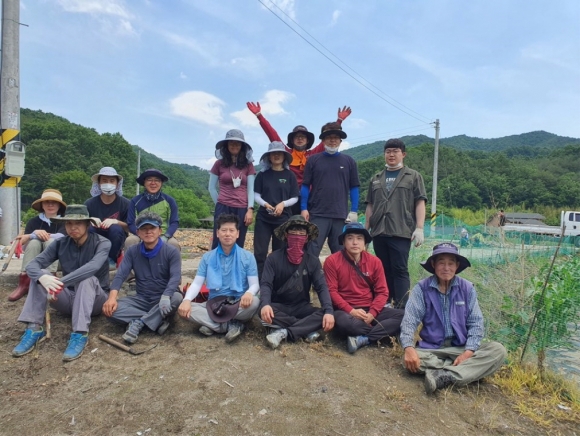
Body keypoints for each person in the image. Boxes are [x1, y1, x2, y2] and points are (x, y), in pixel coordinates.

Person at [400, 243, 507, 394]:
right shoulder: (422, 288)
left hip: (460, 347)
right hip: (432, 349)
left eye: (451, 263)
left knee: (498, 351)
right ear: (433, 264)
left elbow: (476, 323)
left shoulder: (467, 288)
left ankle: (446, 376)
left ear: (457, 266)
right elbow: (409, 321)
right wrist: (408, 348)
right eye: (441, 263)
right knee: (410, 360)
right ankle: (462, 370)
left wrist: (468, 353)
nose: (446, 268)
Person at [12, 204, 111, 361]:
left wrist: (59, 283)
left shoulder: (102, 242)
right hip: (67, 298)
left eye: (78, 223)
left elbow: (92, 267)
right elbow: (32, 266)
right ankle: (34, 327)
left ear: (88, 224)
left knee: (87, 278)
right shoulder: (60, 243)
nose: (73, 227)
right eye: (69, 223)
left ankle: (80, 333)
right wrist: (43, 278)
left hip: (95, 300)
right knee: (42, 274)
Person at [246, 102, 352, 215]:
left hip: (309, 198)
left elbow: (328, 138)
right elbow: (272, 134)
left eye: (303, 137)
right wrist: (259, 115)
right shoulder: (286, 153)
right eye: (297, 137)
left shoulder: (313, 155)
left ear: (307, 140)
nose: (300, 139)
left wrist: (339, 121)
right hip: (288, 196)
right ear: (292, 140)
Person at [323, 223, 405, 354]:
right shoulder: (332, 261)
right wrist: (351, 311)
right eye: (350, 238)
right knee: (346, 323)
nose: (355, 242)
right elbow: (331, 291)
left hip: (369, 308)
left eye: (359, 238)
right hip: (345, 310)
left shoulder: (375, 261)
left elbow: (382, 292)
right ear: (343, 242)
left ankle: (365, 338)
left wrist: (372, 314)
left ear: (365, 242)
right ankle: (385, 332)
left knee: (405, 316)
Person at [102, 212, 183, 343]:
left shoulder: (171, 251)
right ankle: (156, 320)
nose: (148, 232)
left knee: (177, 298)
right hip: (141, 299)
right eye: (144, 229)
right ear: (138, 232)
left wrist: (166, 295)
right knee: (111, 311)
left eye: (152, 228)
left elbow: (175, 276)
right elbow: (120, 274)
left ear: (159, 231)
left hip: (164, 298)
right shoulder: (132, 251)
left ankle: (138, 322)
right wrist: (111, 298)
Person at [178, 213, 259, 343]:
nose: (227, 234)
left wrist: (249, 293)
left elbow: (254, 284)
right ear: (217, 233)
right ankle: (228, 325)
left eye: (231, 230)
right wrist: (186, 300)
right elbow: (197, 283)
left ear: (237, 233)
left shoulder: (248, 257)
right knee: (186, 308)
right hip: (215, 304)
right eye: (224, 230)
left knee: (254, 302)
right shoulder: (207, 257)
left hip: (238, 302)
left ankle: (213, 324)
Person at [365, 138, 427, 308]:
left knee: (399, 269)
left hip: (401, 230)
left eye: (395, 151)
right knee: (383, 268)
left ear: (403, 154)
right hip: (379, 230)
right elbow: (370, 205)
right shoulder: (376, 178)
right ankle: (385, 303)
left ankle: (401, 307)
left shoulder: (413, 176)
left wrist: (419, 228)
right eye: (388, 151)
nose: (391, 154)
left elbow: (420, 202)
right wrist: (365, 232)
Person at [259, 216, 335, 349]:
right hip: (278, 306)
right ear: (286, 235)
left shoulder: (313, 261)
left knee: (326, 313)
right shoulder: (273, 258)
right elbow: (266, 284)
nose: (297, 237)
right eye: (293, 233)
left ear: (306, 238)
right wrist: (265, 304)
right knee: (260, 309)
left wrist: (329, 311)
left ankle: (284, 332)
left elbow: (322, 287)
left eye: (301, 234)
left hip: (302, 306)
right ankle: (305, 328)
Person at [301, 122, 360, 256]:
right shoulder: (313, 160)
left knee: (341, 253)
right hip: (317, 214)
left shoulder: (349, 161)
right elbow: (305, 185)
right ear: (323, 140)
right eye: (328, 137)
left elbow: (354, 187)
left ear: (340, 140)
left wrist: (354, 210)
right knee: (311, 252)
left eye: (336, 137)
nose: (332, 140)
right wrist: (303, 208)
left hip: (340, 215)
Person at [8, 189, 67, 302]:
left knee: (50, 241)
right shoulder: (33, 222)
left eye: (54, 202)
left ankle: (51, 280)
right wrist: (34, 235)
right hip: (36, 261)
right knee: (34, 242)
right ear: (42, 205)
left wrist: (33, 235)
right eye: (47, 202)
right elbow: (24, 244)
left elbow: (61, 236)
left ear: (59, 205)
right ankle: (25, 282)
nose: (50, 205)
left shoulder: (65, 221)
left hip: (58, 261)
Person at [253, 141, 299, 278]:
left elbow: (295, 197)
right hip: (263, 218)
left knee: (280, 252)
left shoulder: (290, 175)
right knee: (260, 252)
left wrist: (283, 204)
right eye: (273, 153)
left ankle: (277, 280)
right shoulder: (262, 175)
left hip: (283, 219)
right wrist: (265, 204)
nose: (276, 156)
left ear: (284, 156)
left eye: (279, 153)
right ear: (269, 157)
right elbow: (256, 195)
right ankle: (259, 281)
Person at [209, 130, 256, 249]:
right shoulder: (219, 164)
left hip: (241, 208)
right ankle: (216, 261)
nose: (234, 145)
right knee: (219, 240)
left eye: (238, 143)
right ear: (226, 145)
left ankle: (236, 262)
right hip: (223, 207)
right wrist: (219, 203)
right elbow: (211, 188)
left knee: (239, 241)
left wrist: (250, 209)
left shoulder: (248, 165)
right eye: (231, 143)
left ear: (242, 146)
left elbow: (250, 189)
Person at [84, 167, 130, 270]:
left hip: (116, 239)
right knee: (89, 228)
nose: (108, 184)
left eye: (112, 181)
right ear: (99, 183)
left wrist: (116, 222)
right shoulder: (89, 204)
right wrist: (90, 220)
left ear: (117, 184)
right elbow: (80, 225)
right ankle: (91, 259)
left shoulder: (125, 204)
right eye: (104, 180)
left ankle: (111, 260)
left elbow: (130, 228)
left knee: (115, 228)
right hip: (95, 237)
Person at [126, 168, 180, 250]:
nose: (153, 183)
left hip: (163, 234)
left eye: (157, 180)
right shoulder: (135, 201)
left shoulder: (169, 201)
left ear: (161, 183)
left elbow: (174, 222)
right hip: (141, 234)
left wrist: (166, 236)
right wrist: (141, 235)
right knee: (130, 241)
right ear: (144, 182)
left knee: (173, 244)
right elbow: (131, 223)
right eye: (149, 180)